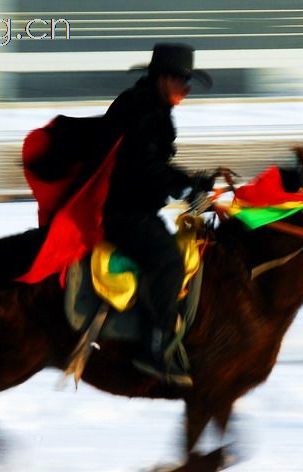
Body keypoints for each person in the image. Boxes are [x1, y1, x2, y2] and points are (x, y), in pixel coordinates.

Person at [99, 44, 215, 388]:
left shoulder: (146, 105)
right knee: (169, 264)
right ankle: (153, 348)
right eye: (182, 80)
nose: (187, 89)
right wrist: (186, 191)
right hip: (122, 212)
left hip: (131, 207)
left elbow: (152, 165)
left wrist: (193, 182)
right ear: (164, 78)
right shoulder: (147, 111)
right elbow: (144, 169)